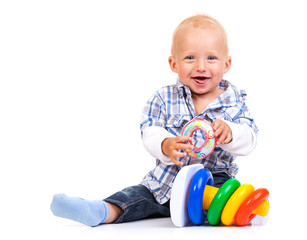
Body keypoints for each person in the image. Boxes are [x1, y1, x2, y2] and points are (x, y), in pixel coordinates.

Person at [50, 14, 258, 227]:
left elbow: (250, 138)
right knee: (137, 196)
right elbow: (150, 130)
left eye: (211, 58)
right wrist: (165, 144)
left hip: (213, 182)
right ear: (173, 63)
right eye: (190, 58)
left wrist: (232, 132)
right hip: (166, 181)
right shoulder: (164, 98)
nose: (201, 67)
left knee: (225, 202)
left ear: (227, 63)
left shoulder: (234, 101)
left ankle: (239, 209)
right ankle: (101, 211)